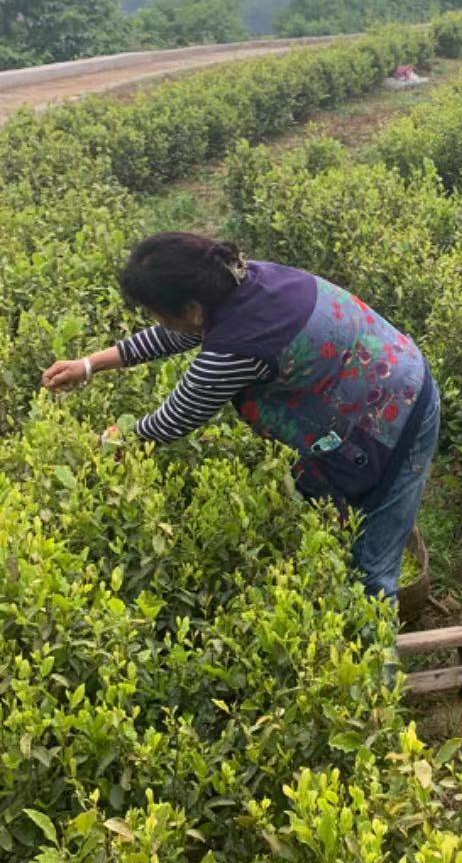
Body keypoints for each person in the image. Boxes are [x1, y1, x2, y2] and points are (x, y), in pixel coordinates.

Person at [41, 233, 440, 605]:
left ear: (193, 309)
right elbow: (178, 335)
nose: (163, 324)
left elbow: (176, 417)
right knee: (342, 517)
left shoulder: (233, 349)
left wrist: (117, 441)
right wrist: (90, 364)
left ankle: (379, 668)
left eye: (162, 315)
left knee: (371, 574)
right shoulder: (240, 281)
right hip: (385, 378)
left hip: (398, 416)